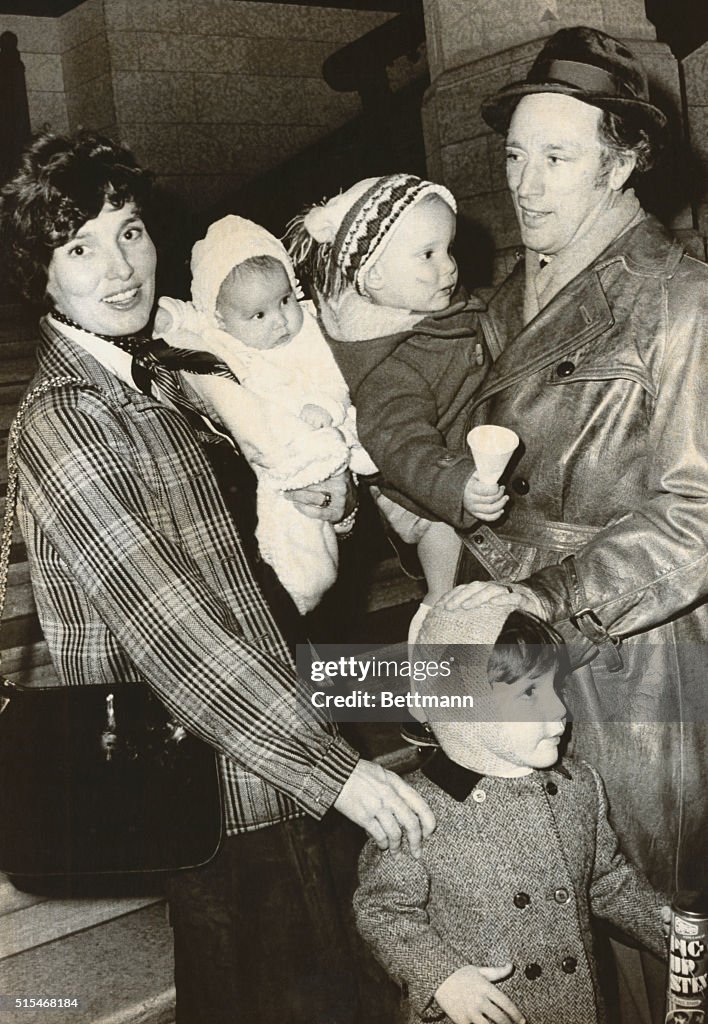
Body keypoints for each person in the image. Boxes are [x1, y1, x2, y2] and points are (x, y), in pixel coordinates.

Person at [0, 130, 436, 1024]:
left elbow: (242, 553)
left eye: (127, 231)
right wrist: (336, 771)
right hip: (221, 787)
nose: (119, 267)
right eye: (77, 247)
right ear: (38, 275)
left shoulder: (146, 376)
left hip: (252, 763)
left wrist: (332, 508)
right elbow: (176, 634)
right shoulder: (70, 419)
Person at [443, 25, 707, 1022]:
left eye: (556, 156)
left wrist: (545, 599)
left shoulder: (679, 301)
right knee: (542, 922)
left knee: (648, 924)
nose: (524, 179)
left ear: (625, 157)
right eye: (514, 153)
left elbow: (696, 513)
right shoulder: (516, 290)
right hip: (522, 639)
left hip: (631, 666)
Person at [354, 601, 668, 1024]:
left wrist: (669, 929)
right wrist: (444, 978)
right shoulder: (415, 811)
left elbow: (604, 880)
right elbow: (382, 910)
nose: (560, 710)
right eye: (529, 693)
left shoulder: (579, 786)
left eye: (555, 687)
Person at [287, 173, 509, 644]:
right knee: (451, 597)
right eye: (427, 255)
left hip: (460, 473)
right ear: (374, 276)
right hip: (433, 499)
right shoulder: (390, 364)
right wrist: (457, 484)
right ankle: (434, 684)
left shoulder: (441, 315)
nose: (448, 267)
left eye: (448, 249)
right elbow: (401, 444)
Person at [153, 214, 376, 615]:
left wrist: (324, 406)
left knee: (313, 505)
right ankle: (302, 583)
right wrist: (166, 316)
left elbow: (335, 379)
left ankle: (308, 583)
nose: (280, 321)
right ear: (220, 317)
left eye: (285, 300)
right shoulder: (213, 337)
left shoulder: (308, 333)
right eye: (259, 315)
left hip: (320, 430)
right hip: (274, 455)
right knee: (289, 520)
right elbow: (184, 315)